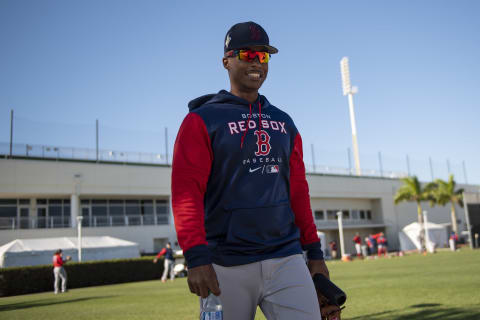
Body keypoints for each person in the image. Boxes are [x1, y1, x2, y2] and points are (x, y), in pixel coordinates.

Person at [172, 21, 340, 320]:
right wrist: (196, 257)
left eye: (263, 56)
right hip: (225, 264)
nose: (256, 63)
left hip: (286, 258)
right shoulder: (202, 120)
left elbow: (298, 192)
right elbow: (187, 193)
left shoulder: (284, 122)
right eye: (247, 54)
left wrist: (314, 253)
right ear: (226, 61)